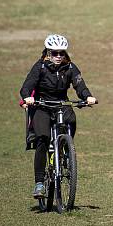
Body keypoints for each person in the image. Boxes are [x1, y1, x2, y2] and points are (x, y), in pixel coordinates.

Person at [20, 34, 97, 199]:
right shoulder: (39, 67)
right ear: (48, 52)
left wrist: (87, 96)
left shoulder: (70, 67)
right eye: (55, 53)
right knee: (42, 138)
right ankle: (39, 183)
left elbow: (80, 84)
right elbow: (27, 86)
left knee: (72, 119)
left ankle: (65, 149)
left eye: (61, 53)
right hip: (42, 105)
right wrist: (28, 97)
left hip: (61, 104)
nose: (58, 56)